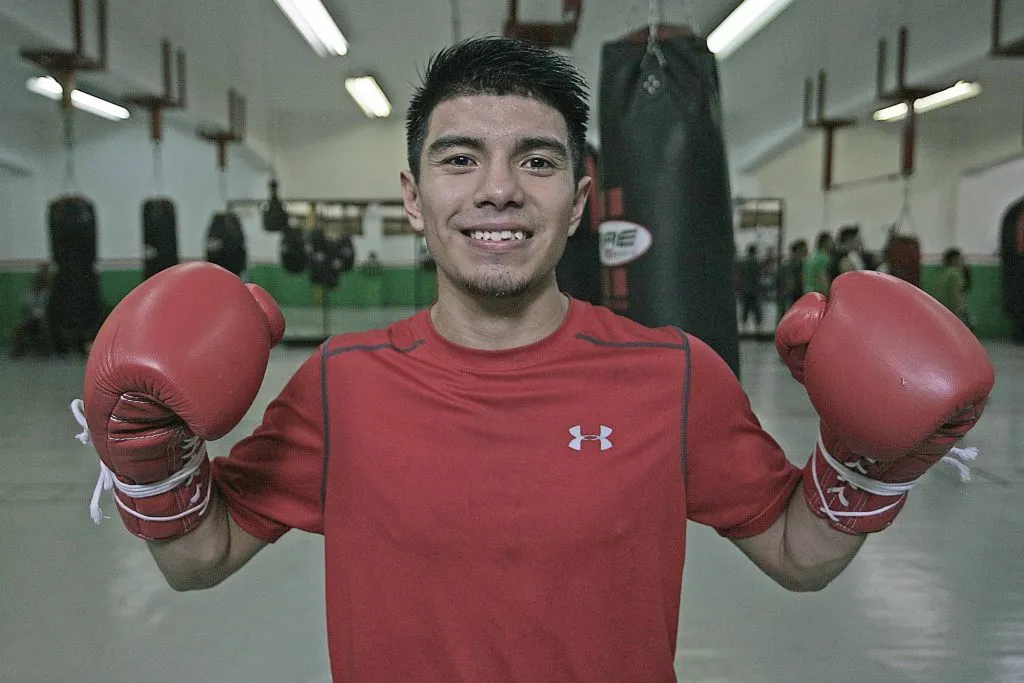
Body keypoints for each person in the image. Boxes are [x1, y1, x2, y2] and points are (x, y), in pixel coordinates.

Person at [78, 37, 994, 682]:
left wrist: (865, 463)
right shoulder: (339, 386)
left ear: (582, 198)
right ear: (414, 196)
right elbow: (197, 560)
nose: (499, 189)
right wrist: (152, 464)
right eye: (460, 157)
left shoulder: (673, 375)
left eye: (538, 161)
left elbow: (799, 553)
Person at [10, 263, 52, 358]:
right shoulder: (30, 294)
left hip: (43, 319)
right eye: (37, 280)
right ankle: (18, 348)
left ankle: (43, 350)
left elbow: (50, 310)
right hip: (31, 318)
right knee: (18, 326)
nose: (38, 282)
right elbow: (25, 308)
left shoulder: (48, 294)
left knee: (44, 325)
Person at [933, 247, 971, 328]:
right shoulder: (955, 274)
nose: (963, 262)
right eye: (961, 259)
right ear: (954, 260)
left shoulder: (943, 273)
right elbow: (957, 293)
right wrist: (963, 310)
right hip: (950, 310)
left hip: (938, 309)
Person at [736, 243, 763, 332]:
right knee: (756, 308)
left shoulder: (743, 262)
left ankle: (744, 324)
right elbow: (759, 276)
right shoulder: (756, 262)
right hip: (754, 288)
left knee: (745, 307)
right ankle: (758, 325)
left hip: (745, 288)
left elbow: (739, 275)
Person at [781, 238, 808, 311]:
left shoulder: (801, 263)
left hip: (798, 294)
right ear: (797, 251)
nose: (806, 252)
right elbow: (789, 281)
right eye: (804, 250)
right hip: (792, 295)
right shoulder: (791, 264)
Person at [804, 230, 834, 295]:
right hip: (818, 292)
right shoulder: (824, 257)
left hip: (807, 291)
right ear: (824, 243)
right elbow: (822, 276)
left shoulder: (811, 256)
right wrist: (827, 294)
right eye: (831, 241)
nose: (832, 244)